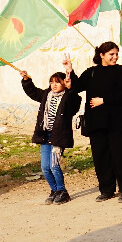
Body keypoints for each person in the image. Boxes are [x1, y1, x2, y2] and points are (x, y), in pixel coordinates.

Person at [64, 42, 122, 202]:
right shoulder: (92, 72)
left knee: (120, 156)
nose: (115, 57)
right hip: (96, 122)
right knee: (100, 157)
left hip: (117, 122)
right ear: (101, 55)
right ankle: (106, 190)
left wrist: (104, 100)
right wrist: (70, 71)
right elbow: (77, 86)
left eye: (116, 54)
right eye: (111, 54)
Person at [20, 70, 81, 204]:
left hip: (58, 136)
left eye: (58, 82)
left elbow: (74, 105)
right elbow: (33, 92)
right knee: (45, 167)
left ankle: (62, 191)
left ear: (64, 83)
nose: (54, 85)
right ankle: (54, 190)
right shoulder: (46, 95)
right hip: (45, 135)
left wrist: (70, 89)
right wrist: (26, 80)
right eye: (51, 82)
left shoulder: (70, 97)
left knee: (54, 165)